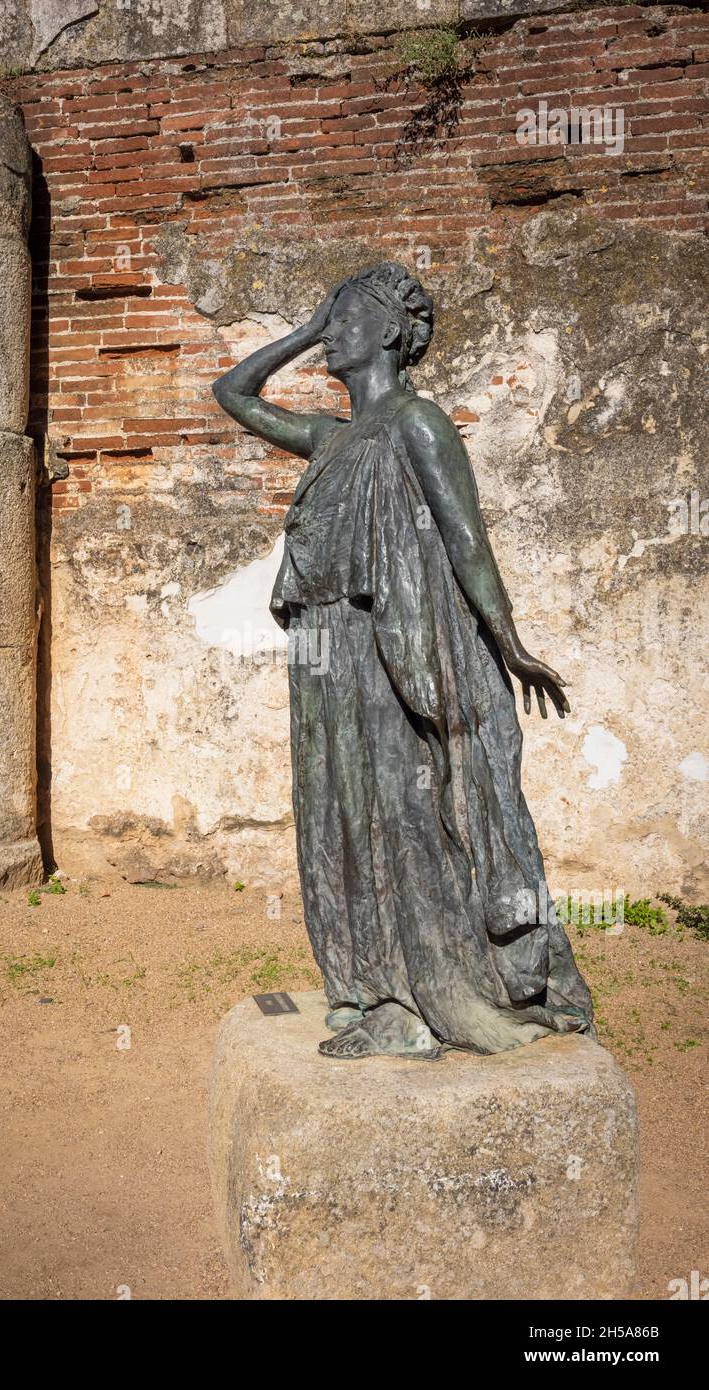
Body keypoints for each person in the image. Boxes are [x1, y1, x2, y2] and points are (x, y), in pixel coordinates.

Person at [213, 262, 594, 1059]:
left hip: (389, 646)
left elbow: (465, 540)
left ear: (389, 331)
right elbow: (234, 394)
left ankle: (423, 993)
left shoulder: (418, 422)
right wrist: (309, 324)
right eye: (327, 322)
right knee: (338, 817)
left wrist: (508, 641)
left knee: (405, 813)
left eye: (343, 320)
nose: (330, 334)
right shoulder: (332, 435)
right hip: (323, 655)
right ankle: (365, 987)